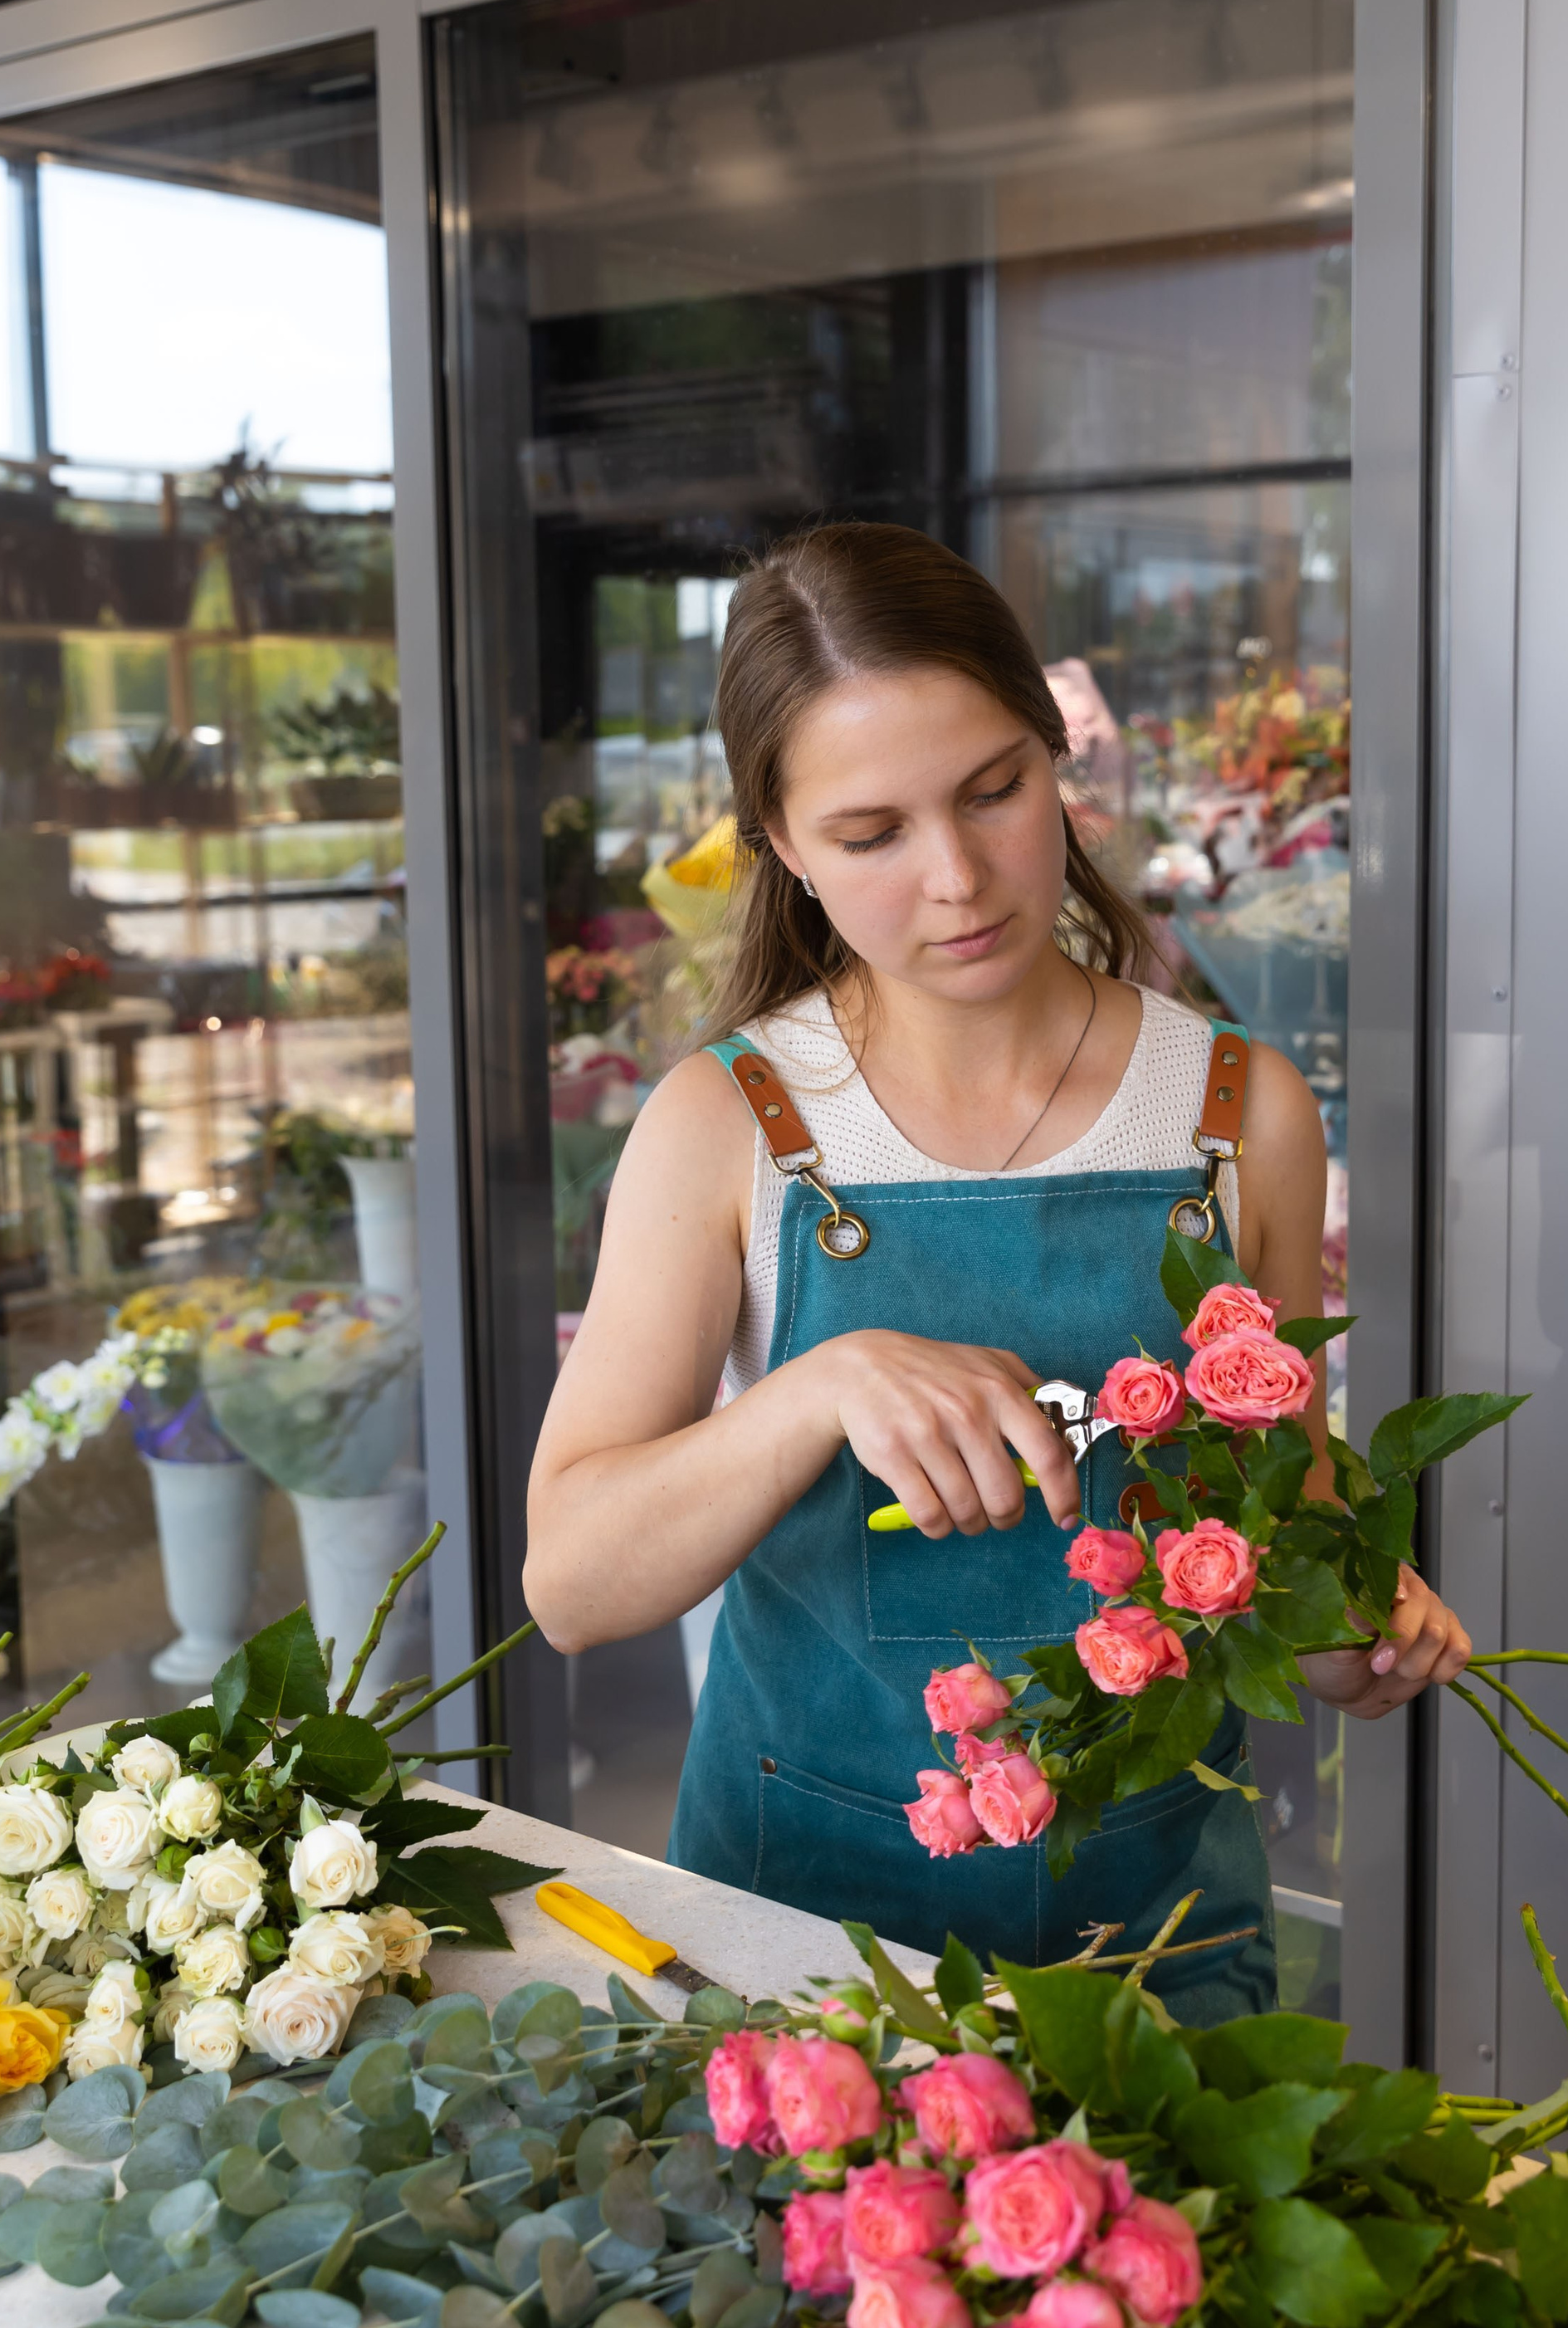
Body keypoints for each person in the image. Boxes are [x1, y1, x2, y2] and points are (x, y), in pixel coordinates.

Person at [524, 523, 1471, 2018]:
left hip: (1159, 1932)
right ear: (780, 845)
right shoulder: (734, 1125)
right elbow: (572, 1582)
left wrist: (1354, 1635)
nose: (957, 879)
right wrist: (819, 1390)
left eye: (993, 791)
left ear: (1055, 757)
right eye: (871, 834)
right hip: (807, 1934)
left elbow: (1284, 1508)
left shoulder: (1238, 1111)